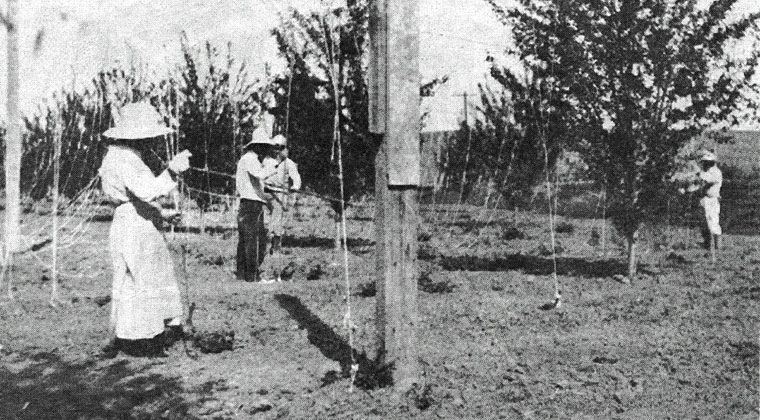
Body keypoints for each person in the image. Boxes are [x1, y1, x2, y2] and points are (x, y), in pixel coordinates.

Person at [98, 102, 192, 356]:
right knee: (146, 277)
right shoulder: (126, 159)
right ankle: (147, 340)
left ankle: (122, 335)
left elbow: (136, 195)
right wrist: (172, 171)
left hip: (130, 218)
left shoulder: (117, 156)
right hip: (135, 225)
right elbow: (148, 190)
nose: (152, 142)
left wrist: (161, 212)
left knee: (129, 278)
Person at [235, 128, 282, 283]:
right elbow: (260, 175)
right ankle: (253, 276)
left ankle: (243, 275)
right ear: (257, 146)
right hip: (251, 204)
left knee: (246, 240)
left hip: (249, 203)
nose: (266, 150)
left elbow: (258, 182)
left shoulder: (251, 160)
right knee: (255, 241)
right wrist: (274, 167)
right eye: (264, 146)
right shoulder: (250, 159)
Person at [263, 134, 302, 254]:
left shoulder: (288, 163)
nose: (277, 150)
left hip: (279, 194)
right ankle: (263, 246)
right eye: (275, 147)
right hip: (265, 192)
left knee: (277, 219)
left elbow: (296, 178)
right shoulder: (267, 160)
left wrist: (295, 187)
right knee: (264, 220)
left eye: (280, 148)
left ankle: (275, 248)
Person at [697, 151, 722, 250]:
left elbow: (709, 180)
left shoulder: (715, 172)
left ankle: (716, 245)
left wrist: (699, 174)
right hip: (705, 199)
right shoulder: (706, 172)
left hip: (712, 199)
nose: (706, 164)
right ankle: (707, 243)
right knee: (704, 222)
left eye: (707, 162)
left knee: (713, 221)